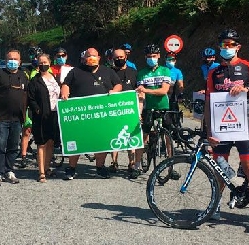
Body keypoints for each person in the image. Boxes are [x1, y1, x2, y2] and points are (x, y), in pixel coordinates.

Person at [204, 29, 249, 231]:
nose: (226, 48)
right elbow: (208, 102)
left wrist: (247, 90)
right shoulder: (214, 72)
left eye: (230, 44)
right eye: (223, 44)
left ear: (238, 47)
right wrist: (209, 130)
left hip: (243, 125)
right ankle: (216, 204)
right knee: (220, 166)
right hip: (222, 128)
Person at [60, 47, 122, 180]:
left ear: (99, 58)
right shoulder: (75, 71)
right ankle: (71, 168)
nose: (92, 58)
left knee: (101, 141)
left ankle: (100, 167)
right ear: (84, 59)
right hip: (80, 115)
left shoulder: (108, 71)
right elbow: (65, 84)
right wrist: (64, 92)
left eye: (94, 55)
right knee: (77, 141)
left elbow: (118, 84)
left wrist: (115, 91)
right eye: (89, 56)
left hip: (102, 115)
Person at [131, 44, 172, 180]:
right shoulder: (142, 73)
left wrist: (146, 90)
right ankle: (137, 165)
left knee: (168, 138)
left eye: (154, 56)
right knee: (143, 137)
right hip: (149, 108)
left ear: (159, 56)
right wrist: (139, 113)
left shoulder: (165, 70)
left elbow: (163, 91)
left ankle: (171, 166)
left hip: (164, 107)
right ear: (145, 57)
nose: (152, 59)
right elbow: (141, 97)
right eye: (149, 57)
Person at [0, 49, 28, 186]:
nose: (13, 61)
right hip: (1, 118)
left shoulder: (23, 76)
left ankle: (9, 171)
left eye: (15, 59)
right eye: (10, 59)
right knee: (0, 146)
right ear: (5, 61)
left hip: (17, 118)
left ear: (20, 61)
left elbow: (26, 95)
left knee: (13, 147)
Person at [27, 53, 61, 182]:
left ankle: (47, 168)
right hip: (41, 116)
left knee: (51, 142)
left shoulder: (54, 78)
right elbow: (31, 99)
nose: (43, 65)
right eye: (40, 63)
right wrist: (37, 110)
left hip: (54, 114)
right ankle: (41, 172)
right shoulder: (34, 81)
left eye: (45, 62)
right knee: (41, 144)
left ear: (49, 63)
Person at [109, 48, 138, 175]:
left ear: (126, 56)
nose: (119, 59)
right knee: (114, 134)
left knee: (131, 137)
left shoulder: (133, 72)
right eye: (116, 58)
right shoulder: (109, 72)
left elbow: (138, 90)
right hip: (114, 109)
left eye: (121, 57)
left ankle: (131, 163)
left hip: (130, 109)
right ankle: (114, 162)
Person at [17, 46, 42, 168]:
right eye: (33, 56)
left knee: (40, 132)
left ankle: (41, 156)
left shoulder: (47, 70)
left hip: (43, 104)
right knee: (27, 131)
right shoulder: (26, 71)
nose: (35, 58)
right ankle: (23, 156)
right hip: (29, 105)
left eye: (37, 56)